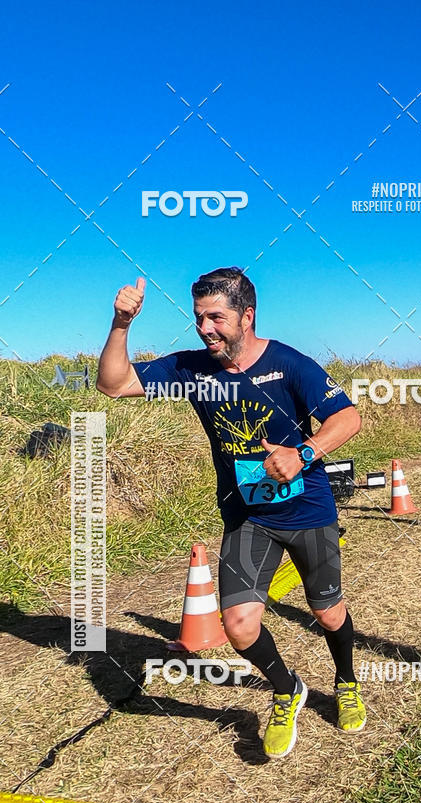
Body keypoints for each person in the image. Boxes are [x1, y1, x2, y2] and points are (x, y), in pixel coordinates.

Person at [97, 266, 366, 758]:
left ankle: (346, 681)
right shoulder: (194, 371)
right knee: (239, 626)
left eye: (216, 317)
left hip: (308, 512)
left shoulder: (289, 364)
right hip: (248, 518)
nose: (205, 329)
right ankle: (288, 690)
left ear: (247, 315)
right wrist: (121, 324)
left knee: (328, 614)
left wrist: (303, 453)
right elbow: (114, 386)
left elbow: (348, 417)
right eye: (199, 318)